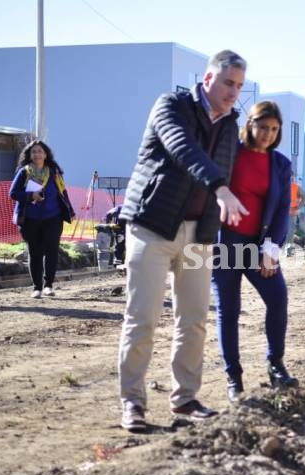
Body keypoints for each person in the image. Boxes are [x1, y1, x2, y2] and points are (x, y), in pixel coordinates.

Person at [117, 49, 249, 432]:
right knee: (142, 318)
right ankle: (133, 404)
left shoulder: (229, 125)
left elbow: (238, 166)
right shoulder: (170, 106)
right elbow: (182, 149)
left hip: (198, 234)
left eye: (239, 86)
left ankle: (185, 398)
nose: (233, 92)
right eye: (228, 83)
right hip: (152, 226)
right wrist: (220, 188)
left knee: (193, 320)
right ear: (208, 79)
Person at [211, 100, 297, 403]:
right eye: (262, 127)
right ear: (250, 124)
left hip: (257, 246)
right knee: (229, 310)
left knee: (277, 297)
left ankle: (276, 365)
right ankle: (233, 377)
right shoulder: (230, 154)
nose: (267, 134)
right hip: (224, 244)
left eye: (273, 129)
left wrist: (270, 250)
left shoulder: (280, 164)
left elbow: (282, 211)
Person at [9, 140, 75, 298]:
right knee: (35, 252)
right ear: (30, 155)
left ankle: (48, 285)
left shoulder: (54, 172)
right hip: (30, 220)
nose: (37, 154)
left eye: (40, 151)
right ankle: (37, 287)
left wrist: (69, 210)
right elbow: (13, 193)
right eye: (34, 152)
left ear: (46, 154)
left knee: (52, 252)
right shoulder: (24, 172)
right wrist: (30, 195)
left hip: (53, 218)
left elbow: (62, 193)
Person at [285, 176, 304, 256]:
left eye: (292, 178)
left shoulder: (296, 187)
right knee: (288, 231)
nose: (291, 179)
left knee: (290, 231)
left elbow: (304, 198)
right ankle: (287, 248)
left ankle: (288, 248)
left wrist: (298, 207)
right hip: (284, 213)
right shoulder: (282, 186)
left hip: (291, 213)